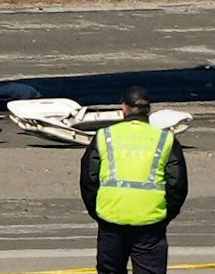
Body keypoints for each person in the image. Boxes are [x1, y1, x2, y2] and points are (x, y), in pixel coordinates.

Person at [80, 87, 187, 274]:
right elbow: (177, 184)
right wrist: (164, 215)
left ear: (124, 109)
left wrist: (98, 211)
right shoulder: (165, 139)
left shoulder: (105, 136)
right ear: (148, 110)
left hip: (111, 217)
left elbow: (89, 179)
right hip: (150, 220)